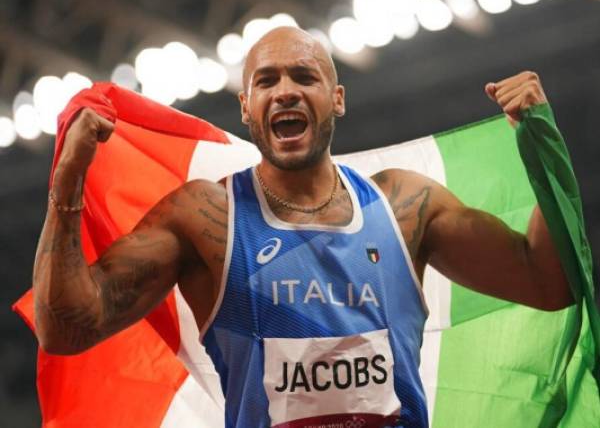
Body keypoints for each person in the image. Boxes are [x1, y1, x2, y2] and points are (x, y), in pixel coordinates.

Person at [33, 27, 573, 427]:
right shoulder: (205, 219)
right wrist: (67, 184)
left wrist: (544, 152)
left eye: (304, 76)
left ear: (336, 98)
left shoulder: (406, 206)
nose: (285, 91)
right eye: (266, 81)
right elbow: (67, 329)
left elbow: (547, 281)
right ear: (246, 109)